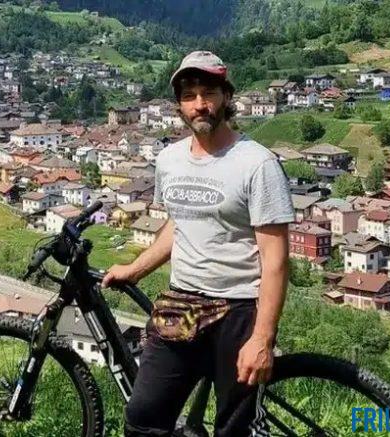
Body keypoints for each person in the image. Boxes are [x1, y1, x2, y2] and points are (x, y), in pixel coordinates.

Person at [100, 50, 294, 437]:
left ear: (227, 96)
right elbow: (180, 224)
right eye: (189, 96)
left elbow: (275, 261)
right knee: (142, 419)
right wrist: (135, 269)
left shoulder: (257, 164)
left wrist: (262, 338)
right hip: (181, 303)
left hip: (237, 310)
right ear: (179, 106)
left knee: (233, 430)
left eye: (209, 93)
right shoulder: (169, 160)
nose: (199, 104)